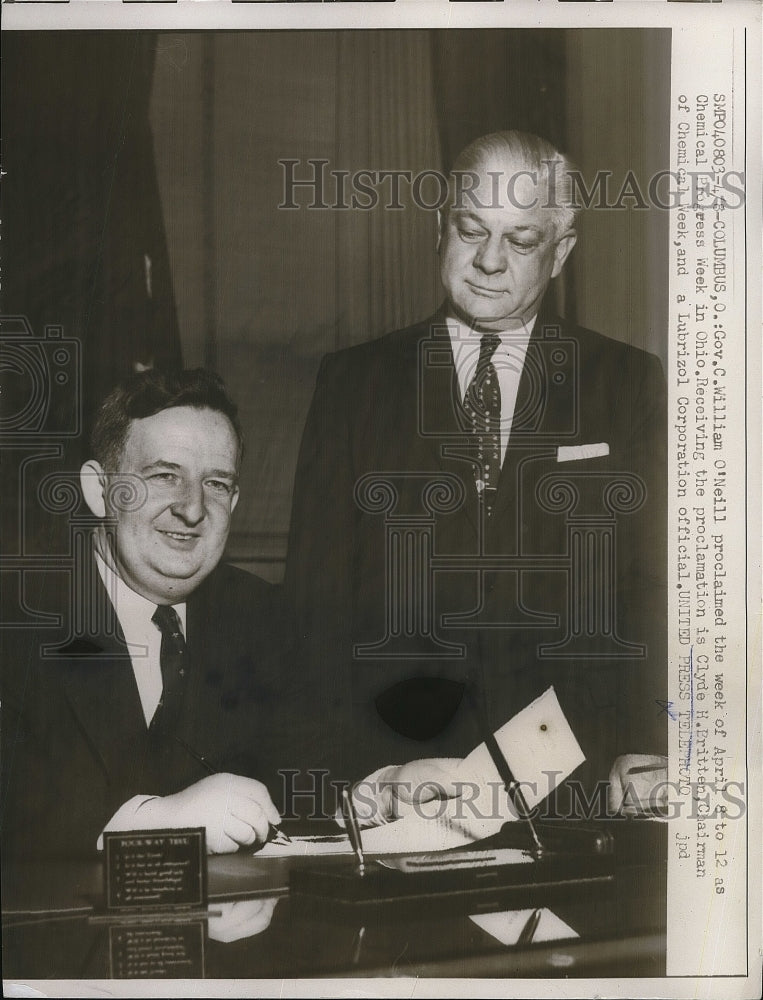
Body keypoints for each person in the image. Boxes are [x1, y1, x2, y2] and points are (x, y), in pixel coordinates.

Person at [285, 130, 668, 816]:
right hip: (401, 783)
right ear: (440, 226)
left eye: (521, 241)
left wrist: (642, 744)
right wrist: (349, 779)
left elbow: (648, 589)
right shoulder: (353, 382)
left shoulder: (627, 383)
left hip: (577, 786)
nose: (489, 261)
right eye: (470, 230)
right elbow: (314, 607)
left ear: (561, 252)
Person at [1, 369, 297, 858]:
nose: (193, 509)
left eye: (217, 484)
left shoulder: (263, 616)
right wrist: (145, 824)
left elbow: (316, 759)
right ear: (100, 491)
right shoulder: (18, 615)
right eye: (165, 476)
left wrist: (387, 786)